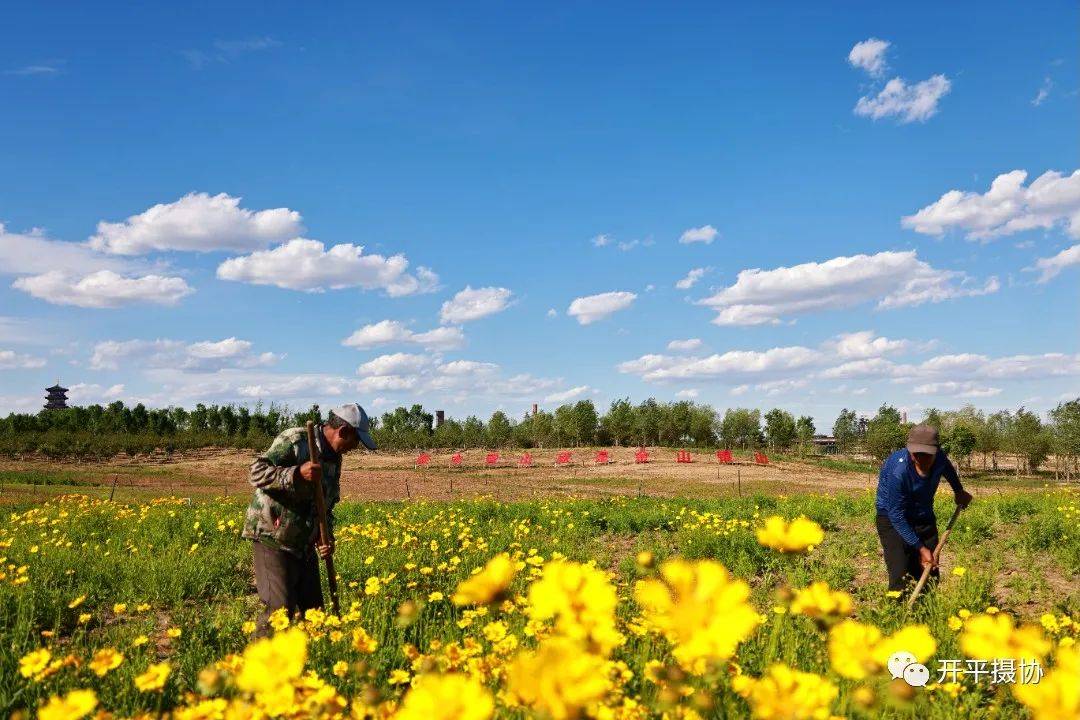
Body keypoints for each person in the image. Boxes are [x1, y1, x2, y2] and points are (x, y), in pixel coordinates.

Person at [242, 403, 376, 635]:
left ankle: (314, 661)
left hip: (302, 541)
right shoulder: (295, 440)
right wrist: (294, 474)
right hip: (272, 537)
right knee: (279, 609)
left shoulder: (334, 457)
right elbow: (255, 472)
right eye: (355, 441)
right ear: (342, 431)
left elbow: (326, 503)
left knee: (315, 613)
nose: (354, 447)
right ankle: (259, 665)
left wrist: (326, 537)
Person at [875, 424, 973, 593]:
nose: (921, 458)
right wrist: (920, 548)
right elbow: (896, 514)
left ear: (936, 451)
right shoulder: (899, 471)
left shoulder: (940, 459)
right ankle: (899, 614)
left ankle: (926, 614)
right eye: (916, 454)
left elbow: (947, 468)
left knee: (930, 570)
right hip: (892, 519)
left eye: (927, 454)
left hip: (922, 514)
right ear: (910, 451)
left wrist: (958, 490)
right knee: (900, 572)